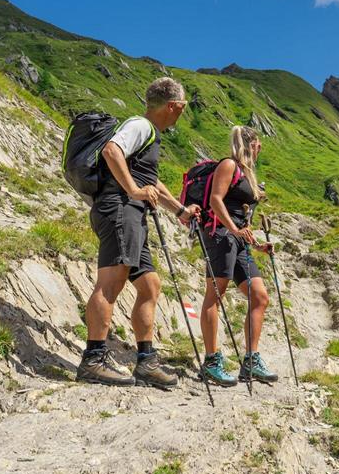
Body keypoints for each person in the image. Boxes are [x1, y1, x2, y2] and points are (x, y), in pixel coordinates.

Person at [76, 77, 200, 388]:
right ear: (173, 105)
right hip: (120, 209)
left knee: (150, 285)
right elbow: (112, 151)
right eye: (183, 106)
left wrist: (180, 211)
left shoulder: (149, 134)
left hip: (130, 213)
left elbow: (152, 182)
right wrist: (133, 190)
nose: (183, 112)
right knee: (111, 282)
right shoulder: (141, 125)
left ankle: (146, 361)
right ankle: (93, 359)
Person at [198, 126, 277, 386]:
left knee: (260, 297)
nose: (260, 148)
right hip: (220, 236)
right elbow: (215, 200)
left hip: (239, 240)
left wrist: (257, 245)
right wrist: (233, 229)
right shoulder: (229, 165)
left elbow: (243, 216)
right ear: (248, 144)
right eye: (257, 144)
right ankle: (212, 361)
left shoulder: (247, 173)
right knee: (215, 295)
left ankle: (251, 360)